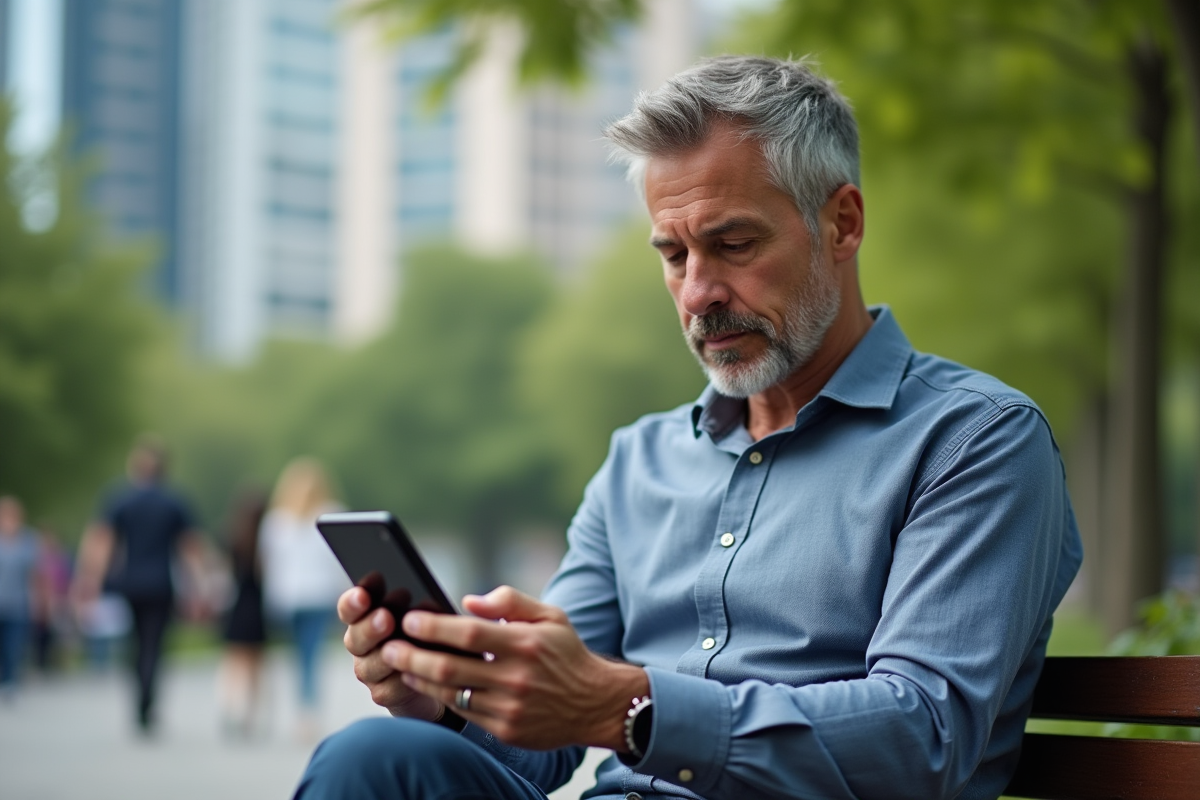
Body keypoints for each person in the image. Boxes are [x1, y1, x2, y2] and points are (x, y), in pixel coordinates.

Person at [296, 56, 1083, 800]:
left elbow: (925, 735)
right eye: (673, 255)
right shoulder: (639, 461)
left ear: (841, 224)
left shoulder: (975, 440)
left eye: (732, 244)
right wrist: (451, 696)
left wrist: (627, 708)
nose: (698, 291)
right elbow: (543, 744)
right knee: (375, 757)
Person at [73, 435, 209, 733]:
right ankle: (148, 700)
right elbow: (190, 548)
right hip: (161, 584)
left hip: (130, 583)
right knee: (155, 645)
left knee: (135, 643)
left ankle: (140, 699)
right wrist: (200, 587)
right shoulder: (174, 501)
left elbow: (102, 541)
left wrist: (89, 580)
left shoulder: (120, 498)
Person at [259, 457, 348, 740]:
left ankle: (302, 711)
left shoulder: (277, 521)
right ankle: (307, 715)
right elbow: (339, 561)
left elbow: (269, 563)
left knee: (298, 656)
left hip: (289, 596)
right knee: (312, 655)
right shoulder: (331, 514)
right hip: (319, 594)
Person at [217, 486, 270, 738]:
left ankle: (230, 707)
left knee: (233, 662)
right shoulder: (266, 542)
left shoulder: (232, 538)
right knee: (255, 665)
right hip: (257, 607)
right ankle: (251, 713)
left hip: (236, 606)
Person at [0, 496, 41, 699]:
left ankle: (10, 683)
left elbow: (35, 574)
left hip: (18, 603)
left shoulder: (28, 540)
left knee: (13, 646)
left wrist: (40, 601)